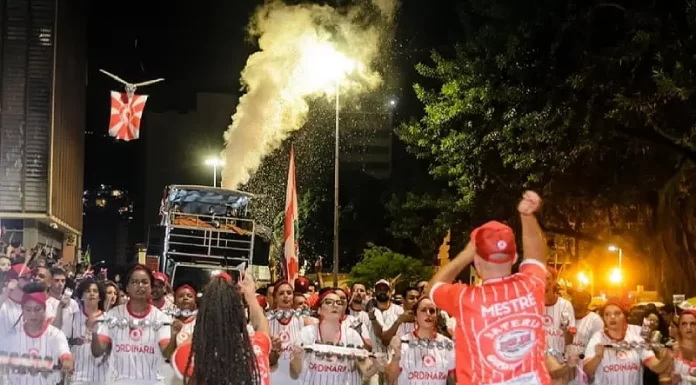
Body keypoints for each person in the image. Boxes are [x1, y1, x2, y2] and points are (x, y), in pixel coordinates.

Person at [427, 191, 550, 385]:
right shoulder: (531, 286)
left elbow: (433, 288)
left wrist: (466, 254)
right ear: (515, 257)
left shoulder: (464, 299)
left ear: (476, 260)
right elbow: (536, 256)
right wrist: (527, 216)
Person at [170, 272, 271, 385]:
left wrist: (205, 318)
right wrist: (250, 295)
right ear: (239, 312)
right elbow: (261, 323)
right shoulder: (257, 348)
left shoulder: (195, 356)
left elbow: (182, 350)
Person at [91, 264, 178, 385]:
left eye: (144, 282)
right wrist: (94, 332)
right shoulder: (114, 314)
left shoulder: (161, 317)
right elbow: (97, 351)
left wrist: (174, 334)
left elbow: (167, 354)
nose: (140, 286)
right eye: (134, 282)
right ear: (127, 287)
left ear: (151, 287)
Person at [289, 290, 380, 384]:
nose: (335, 305)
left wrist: (376, 365)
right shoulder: (307, 333)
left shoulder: (353, 335)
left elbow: (366, 371)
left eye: (339, 303)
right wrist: (297, 357)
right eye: (328, 302)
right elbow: (294, 372)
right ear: (319, 310)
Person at [583, 301, 672, 385]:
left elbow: (656, 367)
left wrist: (668, 356)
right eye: (607, 314)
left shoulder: (636, 333)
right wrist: (597, 357)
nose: (612, 317)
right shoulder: (597, 337)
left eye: (617, 313)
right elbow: (587, 371)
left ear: (625, 315)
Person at [3, 282, 73, 385]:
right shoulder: (12, 335)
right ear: (22, 310)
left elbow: (65, 355)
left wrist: (67, 363)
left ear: (44, 310)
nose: (33, 314)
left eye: (37, 309)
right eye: (28, 309)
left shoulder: (56, 335)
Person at [386, 297, 455, 384]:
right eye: (423, 310)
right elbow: (390, 380)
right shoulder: (403, 342)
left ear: (436, 316)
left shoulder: (447, 344)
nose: (428, 314)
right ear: (415, 316)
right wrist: (396, 356)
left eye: (432, 311)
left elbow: (452, 379)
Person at [69, 278, 109, 385]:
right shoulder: (73, 316)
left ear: (100, 297)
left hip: (102, 374)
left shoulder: (108, 319)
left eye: (95, 291)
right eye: (87, 291)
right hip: (77, 374)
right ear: (81, 296)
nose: (91, 294)